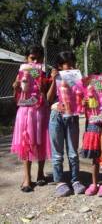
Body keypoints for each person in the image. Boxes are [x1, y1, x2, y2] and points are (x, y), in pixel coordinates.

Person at [11, 45, 51, 192]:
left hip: (40, 111)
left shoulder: (44, 74)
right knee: (25, 142)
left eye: (38, 58)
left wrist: (43, 87)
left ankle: (40, 173)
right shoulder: (21, 72)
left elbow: (48, 96)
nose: (35, 61)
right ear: (26, 58)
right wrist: (15, 86)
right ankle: (27, 178)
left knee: (41, 142)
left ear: (42, 59)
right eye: (32, 58)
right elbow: (18, 96)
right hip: (25, 111)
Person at [47, 51, 85, 197]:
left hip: (72, 117)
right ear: (59, 66)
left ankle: (75, 180)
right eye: (67, 65)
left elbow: (81, 97)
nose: (70, 67)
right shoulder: (55, 78)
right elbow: (49, 99)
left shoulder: (77, 79)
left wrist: (83, 101)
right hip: (56, 116)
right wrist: (52, 80)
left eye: (72, 64)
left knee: (73, 153)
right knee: (57, 154)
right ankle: (60, 182)